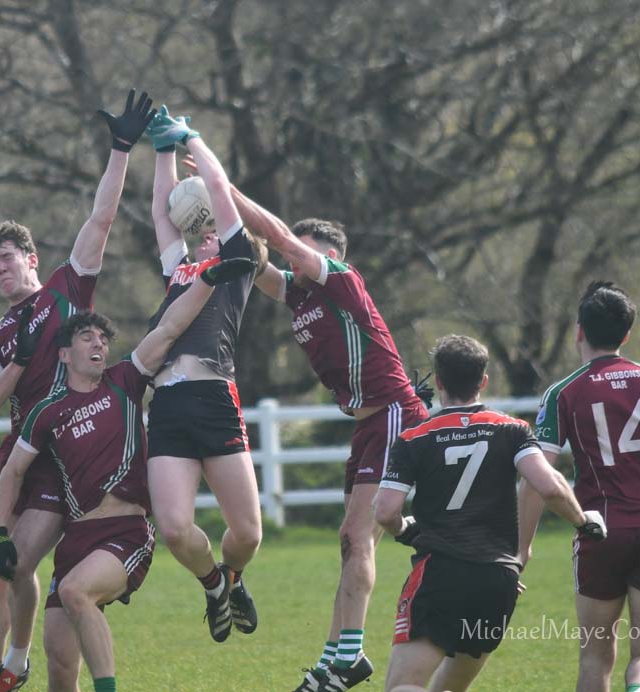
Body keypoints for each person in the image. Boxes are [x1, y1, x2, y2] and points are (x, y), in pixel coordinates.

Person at [0, 257, 257, 692]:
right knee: (59, 663)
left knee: (76, 592)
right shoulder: (47, 412)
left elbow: (168, 328)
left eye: (102, 338)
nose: (98, 343)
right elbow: (13, 471)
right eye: (86, 337)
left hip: (125, 535)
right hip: (76, 539)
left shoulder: (124, 380)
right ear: (64, 354)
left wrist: (206, 280)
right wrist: (0, 534)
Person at [0, 89, 154, 692]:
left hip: (63, 457)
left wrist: (120, 148)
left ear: (31, 258)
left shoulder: (65, 292)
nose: (1, 269)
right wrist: (20, 361)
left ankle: (17, 662)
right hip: (20, 451)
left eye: (7, 258)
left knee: (19, 563)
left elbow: (101, 219)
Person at [215, 186, 431, 689]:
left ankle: (348, 658)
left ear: (329, 255)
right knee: (351, 542)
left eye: (303, 252)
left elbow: (277, 237)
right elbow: (254, 258)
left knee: (357, 537)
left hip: (394, 413)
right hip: (368, 424)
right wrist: (216, 219)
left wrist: (219, 181)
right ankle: (335, 659)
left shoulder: (341, 281)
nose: (292, 261)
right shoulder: (300, 294)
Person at [518, 281, 640, 692]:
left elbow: (538, 475)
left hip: (601, 531)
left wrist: (522, 547)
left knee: (595, 657)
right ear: (626, 334)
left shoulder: (563, 392)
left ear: (579, 331)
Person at [374, 335, 607, 692]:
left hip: (441, 573)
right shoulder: (512, 429)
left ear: (439, 381)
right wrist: (583, 521)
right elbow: (549, 486)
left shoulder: (414, 438)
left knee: (403, 685)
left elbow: (385, 511)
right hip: (498, 580)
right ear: (483, 380)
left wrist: (404, 529)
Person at [142, 108, 268, 644]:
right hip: (168, 405)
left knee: (248, 533)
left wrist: (193, 137)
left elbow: (217, 188)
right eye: (205, 233)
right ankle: (214, 585)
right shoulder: (181, 270)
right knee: (173, 528)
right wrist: (162, 150)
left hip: (215, 400)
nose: (206, 236)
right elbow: (161, 212)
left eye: (216, 231)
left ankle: (234, 576)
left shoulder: (237, 268)